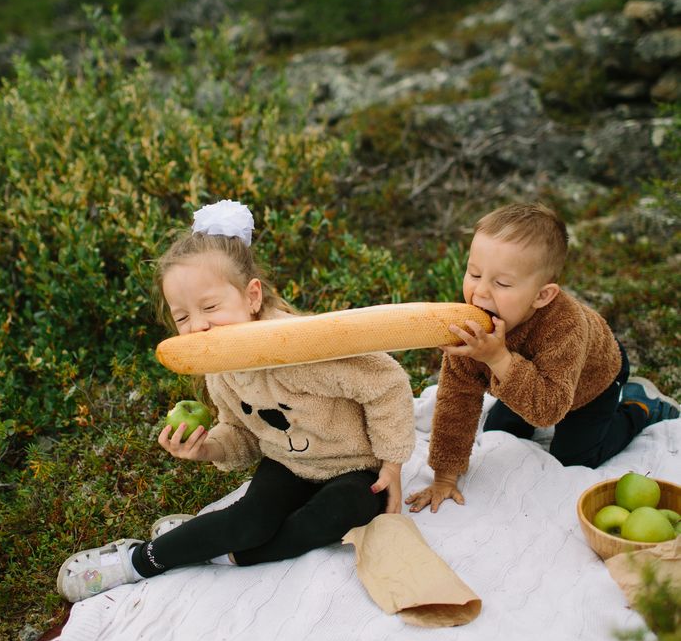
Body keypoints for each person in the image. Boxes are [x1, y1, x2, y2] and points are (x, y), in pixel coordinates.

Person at [58, 199, 416, 603]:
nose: (199, 325)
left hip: (351, 465)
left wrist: (392, 462)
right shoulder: (221, 367)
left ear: (252, 296)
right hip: (287, 464)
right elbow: (242, 432)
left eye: (210, 307)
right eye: (182, 316)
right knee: (250, 523)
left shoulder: (301, 349)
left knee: (354, 506)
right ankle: (137, 560)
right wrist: (207, 447)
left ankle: (211, 548)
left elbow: (386, 381)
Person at [406, 202, 679, 515]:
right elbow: (457, 399)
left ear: (542, 295)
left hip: (590, 381)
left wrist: (497, 358)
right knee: (501, 434)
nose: (480, 292)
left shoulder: (565, 328)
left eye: (502, 283)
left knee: (574, 457)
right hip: (523, 374)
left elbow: (549, 410)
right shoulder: (476, 326)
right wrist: (444, 476)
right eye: (475, 273)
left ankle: (640, 406)